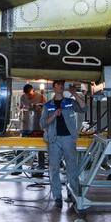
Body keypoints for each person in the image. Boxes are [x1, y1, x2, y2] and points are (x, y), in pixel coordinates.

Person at [39, 80, 85, 209]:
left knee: (72, 167)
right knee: (54, 169)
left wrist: (74, 93)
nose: (61, 87)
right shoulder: (48, 105)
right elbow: (42, 124)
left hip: (68, 139)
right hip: (53, 140)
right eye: (58, 85)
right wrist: (54, 114)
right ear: (54, 88)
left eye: (62, 85)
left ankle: (73, 194)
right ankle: (57, 196)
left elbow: (84, 108)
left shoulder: (69, 102)